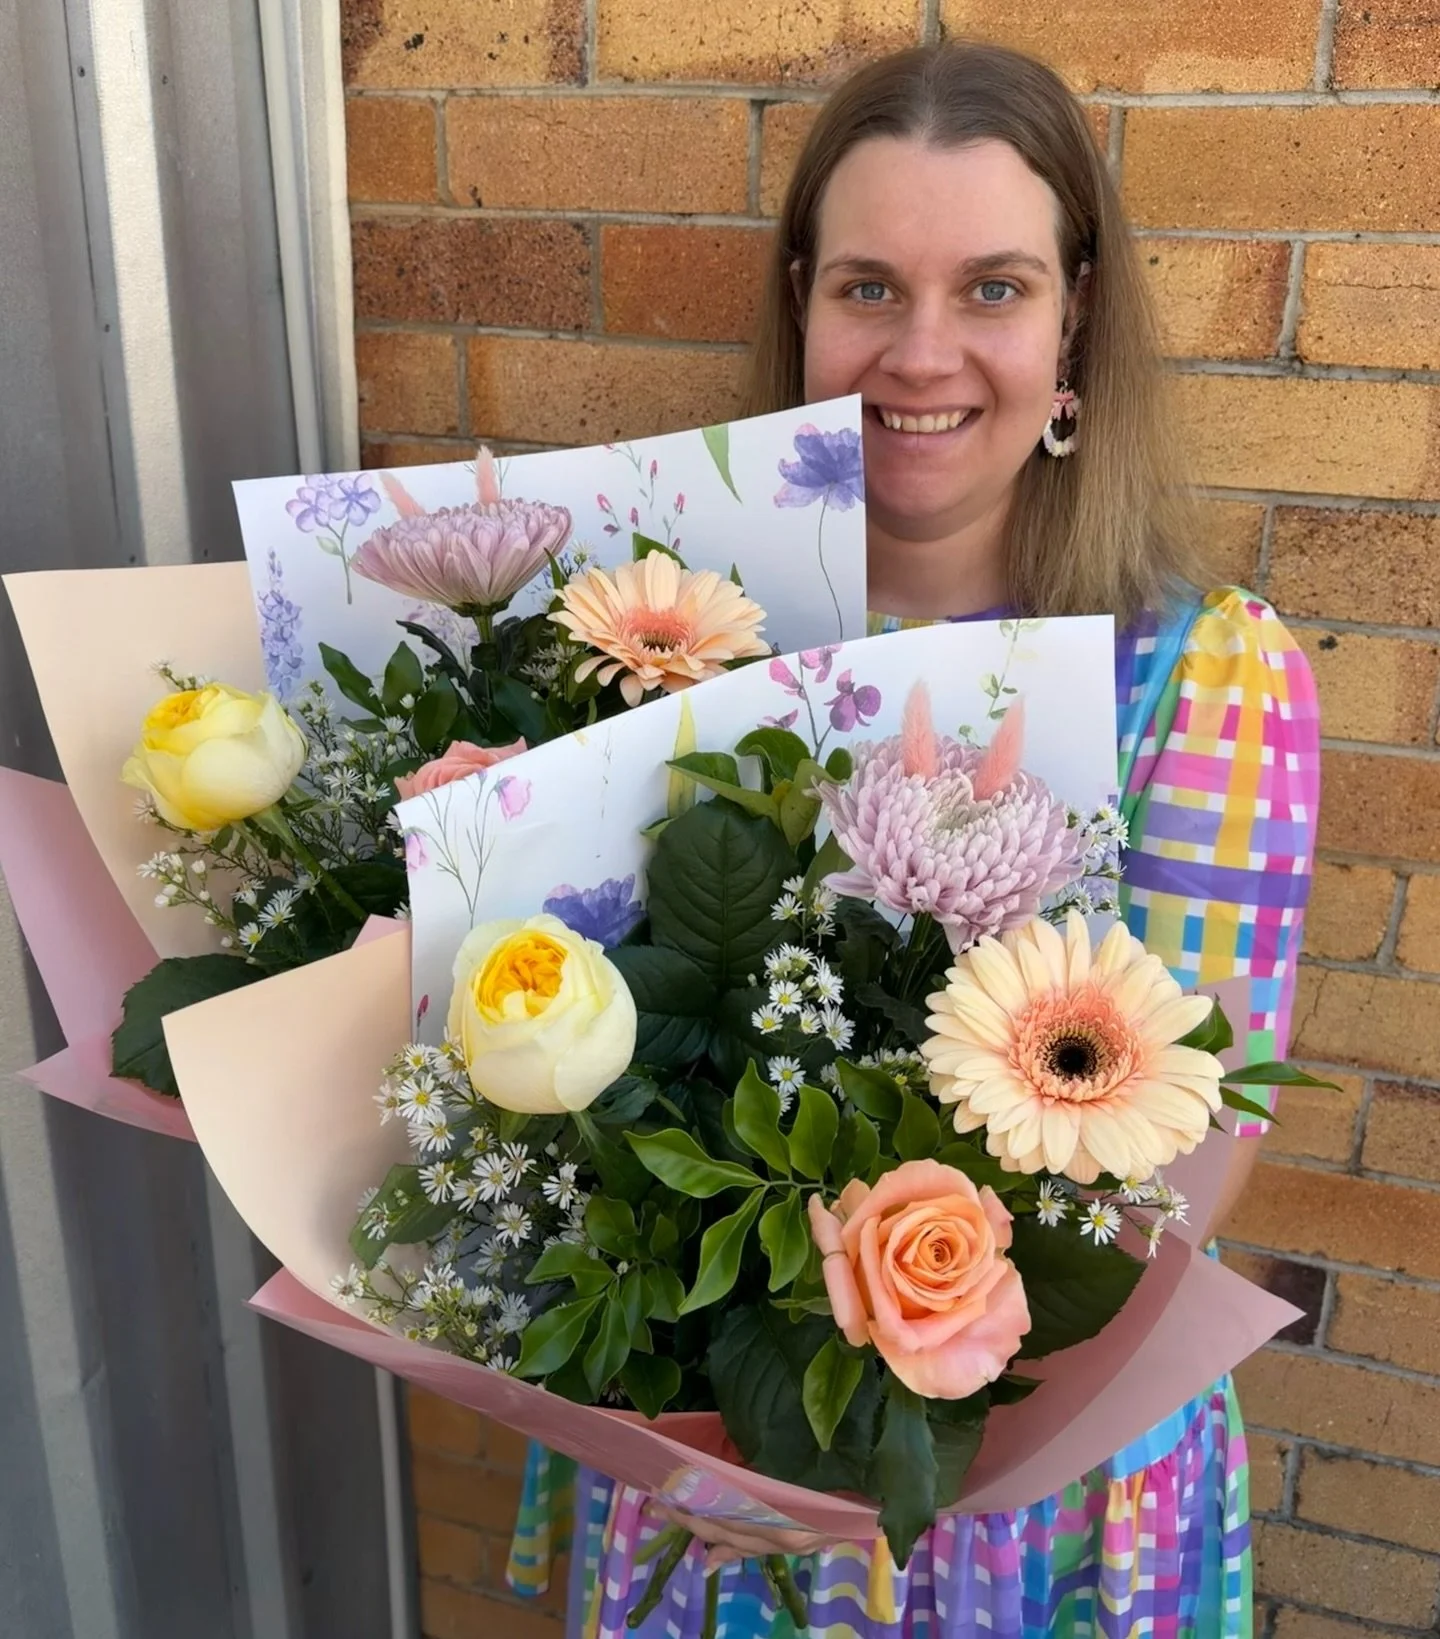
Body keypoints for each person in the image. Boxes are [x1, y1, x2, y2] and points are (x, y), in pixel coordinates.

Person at [508, 39, 1319, 1639]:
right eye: (869, 288)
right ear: (802, 307)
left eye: (995, 289)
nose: (921, 351)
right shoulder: (670, 637)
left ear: (1076, 321)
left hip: (1033, 1482)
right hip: (712, 1468)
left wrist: (849, 1421)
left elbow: (1176, 1179)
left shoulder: (1204, 674)